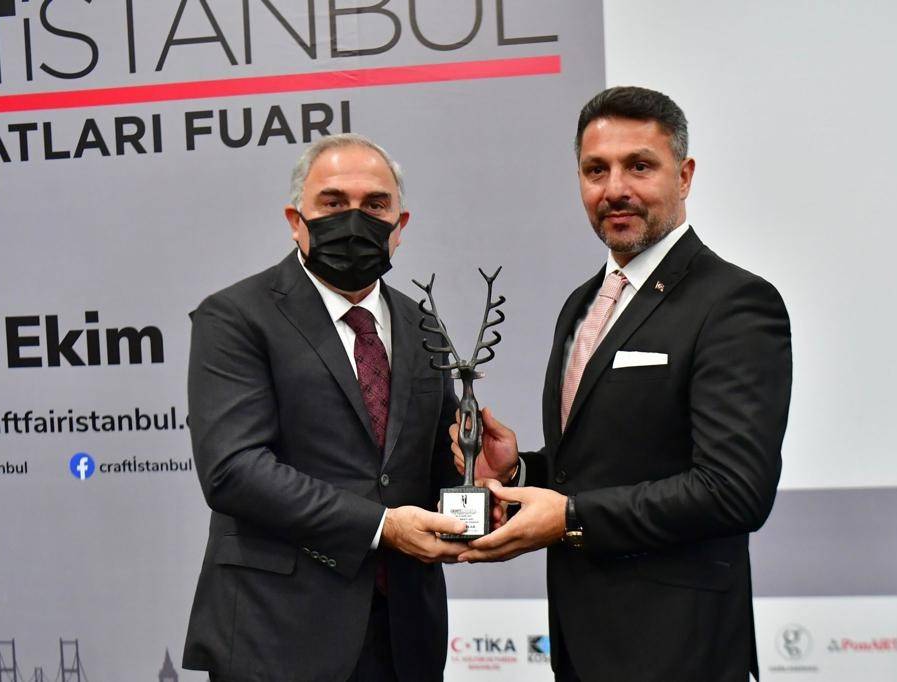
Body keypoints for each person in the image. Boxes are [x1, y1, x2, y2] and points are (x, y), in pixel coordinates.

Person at [454, 87, 793, 682]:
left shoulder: (735, 303)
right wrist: (519, 472)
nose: (614, 189)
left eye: (639, 166)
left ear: (684, 176)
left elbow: (735, 490)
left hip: (680, 652)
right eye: (596, 170)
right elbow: (598, 467)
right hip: (580, 645)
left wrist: (570, 517)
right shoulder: (582, 303)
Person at [182, 133, 468, 682]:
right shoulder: (235, 317)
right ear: (296, 220)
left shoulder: (422, 324)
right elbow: (233, 470)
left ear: (400, 226)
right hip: (276, 636)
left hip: (406, 635)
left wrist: (488, 475)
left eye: (375, 205)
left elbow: (436, 466)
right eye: (333, 203)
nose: (354, 221)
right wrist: (382, 526)